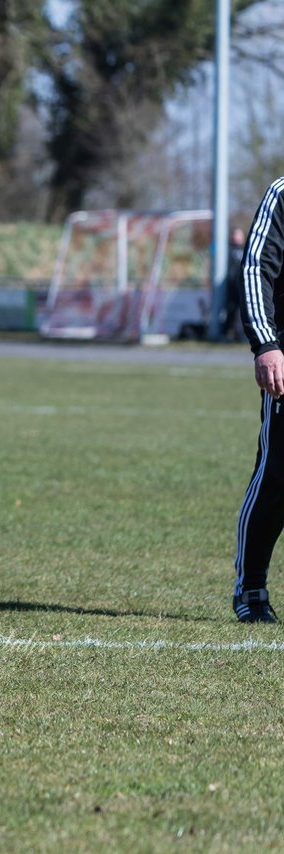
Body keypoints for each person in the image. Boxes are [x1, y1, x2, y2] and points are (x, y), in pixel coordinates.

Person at [235, 177, 284, 623]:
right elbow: (256, 268)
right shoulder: (283, 194)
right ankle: (251, 588)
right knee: (278, 479)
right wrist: (266, 343)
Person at [221, 227, 247, 341]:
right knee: (231, 309)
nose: (238, 237)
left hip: (242, 284)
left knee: (242, 310)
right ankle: (226, 333)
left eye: (239, 235)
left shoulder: (246, 249)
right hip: (230, 285)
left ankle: (239, 334)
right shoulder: (227, 249)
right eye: (236, 234)